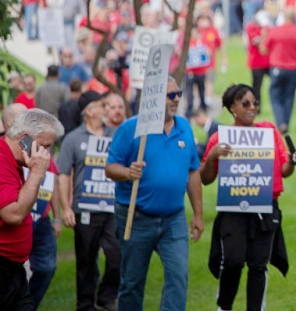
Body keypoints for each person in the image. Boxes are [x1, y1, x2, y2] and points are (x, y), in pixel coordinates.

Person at [105, 77, 204, 311]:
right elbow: (110, 168)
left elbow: (193, 172)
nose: (177, 98)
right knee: (132, 282)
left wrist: (198, 213)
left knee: (178, 277)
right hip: (136, 217)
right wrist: (129, 172)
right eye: (171, 95)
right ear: (153, 99)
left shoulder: (184, 127)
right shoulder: (131, 128)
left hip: (174, 218)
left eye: (178, 93)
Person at [200, 84, 296, 311]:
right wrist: (211, 158)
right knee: (233, 261)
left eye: (255, 102)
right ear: (232, 108)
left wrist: (292, 162)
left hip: (265, 208)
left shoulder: (270, 132)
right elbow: (205, 179)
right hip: (233, 209)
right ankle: (224, 306)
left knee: (258, 265)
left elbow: (284, 170)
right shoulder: (220, 138)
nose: (252, 107)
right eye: (246, 103)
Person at [57, 91, 120, 311]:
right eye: (102, 105)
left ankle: (106, 296)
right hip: (84, 209)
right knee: (86, 262)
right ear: (89, 111)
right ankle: (85, 305)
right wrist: (66, 207)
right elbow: (63, 174)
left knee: (116, 255)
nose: (107, 108)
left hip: (113, 208)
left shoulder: (116, 135)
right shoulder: (72, 139)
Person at [0, 109, 64, 310]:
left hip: (14, 269)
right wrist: (37, 172)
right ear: (24, 139)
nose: (46, 153)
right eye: (44, 146)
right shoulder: (2, 160)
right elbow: (14, 214)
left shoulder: (16, 161)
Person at [265, 9, 296, 133]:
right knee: (289, 97)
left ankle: (281, 122)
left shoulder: (275, 31)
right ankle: (286, 122)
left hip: (278, 67)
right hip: (293, 68)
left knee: (275, 96)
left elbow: (264, 48)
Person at [245, 10, 271, 107]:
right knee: (256, 87)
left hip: (268, 61)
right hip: (256, 62)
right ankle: (256, 107)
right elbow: (255, 41)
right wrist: (264, 35)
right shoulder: (251, 27)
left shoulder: (267, 26)